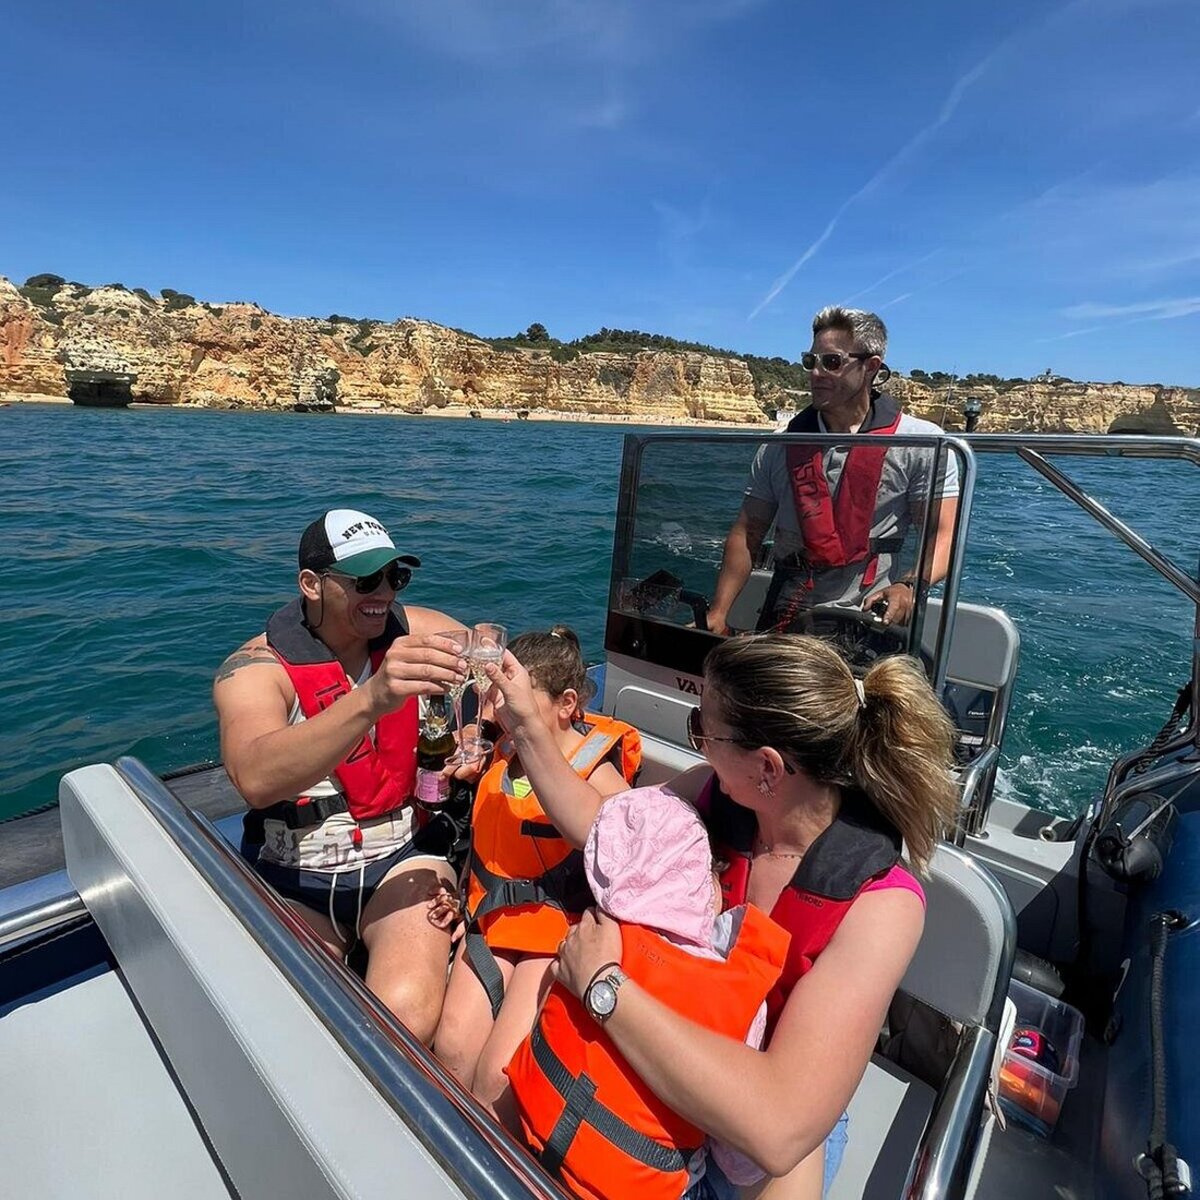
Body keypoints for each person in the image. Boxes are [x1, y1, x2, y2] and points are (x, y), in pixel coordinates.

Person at [482, 631, 959, 1199]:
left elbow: (779, 1126)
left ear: (768, 768)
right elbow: (602, 829)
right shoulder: (720, 798)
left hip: (752, 1105)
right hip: (663, 1032)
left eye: (703, 730)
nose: (699, 744)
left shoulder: (880, 905)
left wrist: (604, 988)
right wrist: (529, 729)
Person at [213, 508, 469, 1045]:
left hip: (402, 857)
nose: (384, 594)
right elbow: (255, 778)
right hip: (294, 875)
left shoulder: (419, 632)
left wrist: (480, 730)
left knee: (403, 1016)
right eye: (364, 581)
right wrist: (373, 698)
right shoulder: (257, 670)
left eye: (394, 578)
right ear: (311, 584)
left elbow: (495, 666)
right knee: (291, 1023)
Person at [506, 785, 789, 1200]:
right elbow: (739, 1164)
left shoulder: (597, 933)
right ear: (708, 884)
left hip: (530, 1127)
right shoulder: (742, 996)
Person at [432, 626, 641, 1123]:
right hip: (493, 917)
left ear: (567, 703)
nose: (494, 714)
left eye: (509, 701)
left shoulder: (596, 768)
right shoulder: (502, 752)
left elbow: (617, 838)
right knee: (452, 1051)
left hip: (554, 931)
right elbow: (487, 838)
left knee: (497, 1076)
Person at [706, 306, 960, 637]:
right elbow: (747, 533)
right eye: (811, 362)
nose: (816, 373)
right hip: (787, 613)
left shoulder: (922, 445)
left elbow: (943, 534)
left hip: (871, 617)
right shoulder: (777, 447)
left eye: (832, 362)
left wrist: (909, 586)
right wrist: (718, 612)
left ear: (871, 367)